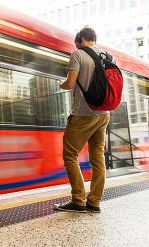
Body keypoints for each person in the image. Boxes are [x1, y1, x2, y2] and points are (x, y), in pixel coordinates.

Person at [54, 27, 111, 213]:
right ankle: (94, 202)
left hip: (83, 114)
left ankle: (78, 200)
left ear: (80, 39)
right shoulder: (108, 57)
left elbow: (70, 84)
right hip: (103, 114)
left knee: (70, 155)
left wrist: (59, 84)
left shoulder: (77, 55)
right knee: (98, 159)